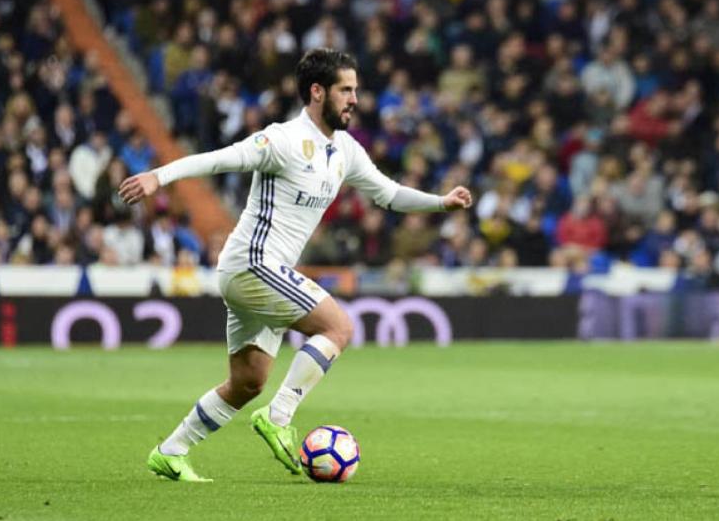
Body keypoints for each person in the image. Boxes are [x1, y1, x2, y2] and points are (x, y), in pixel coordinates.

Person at [119, 49, 473, 482]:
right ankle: (279, 416)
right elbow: (218, 158)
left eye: (355, 90)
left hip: (263, 273)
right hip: (252, 264)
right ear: (317, 92)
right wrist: (158, 176)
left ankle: (171, 451)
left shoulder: (344, 150)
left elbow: (388, 194)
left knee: (248, 383)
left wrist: (441, 202)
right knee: (338, 327)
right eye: (346, 90)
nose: (354, 99)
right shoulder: (282, 141)